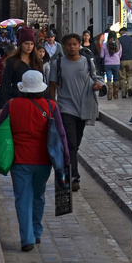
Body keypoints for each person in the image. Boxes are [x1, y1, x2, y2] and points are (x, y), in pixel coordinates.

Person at [0, 70, 70, 251]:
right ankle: (37, 232)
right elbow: (61, 134)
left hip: (19, 160)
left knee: (23, 198)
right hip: (44, 160)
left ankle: (27, 238)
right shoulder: (51, 106)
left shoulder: (11, 104)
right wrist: (66, 158)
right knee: (39, 195)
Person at [47, 32, 104, 192]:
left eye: (75, 44)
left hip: (84, 107)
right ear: (64, 47)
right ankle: (74, 176)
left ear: (79, 45)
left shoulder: (87, 61)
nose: (72, 47)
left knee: (76, 143)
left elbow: (94, 77)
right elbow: (52, 85)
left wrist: (96, 84)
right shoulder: (57, 64)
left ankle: (66, 168)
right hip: (65, 107)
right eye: (69, 44)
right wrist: (53, 104)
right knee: (71, 142)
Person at [0, 28, 42, 112]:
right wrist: (1, 106)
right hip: (17, 100)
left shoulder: (37, 62)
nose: (29, 46)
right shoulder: (12, 61)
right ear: (21, 44)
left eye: (32, 44)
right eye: (26, 43)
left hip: (35, 102)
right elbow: (5, 84)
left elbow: (42, 83)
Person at [100, 30, 121, 99]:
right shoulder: (119, 44)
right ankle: (116, 95)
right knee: (116, 78)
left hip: (108, 63)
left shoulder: (105, 44)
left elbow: (102, 56)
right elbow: (120, 55)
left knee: (109, 79)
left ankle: (109, 95)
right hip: (116, 63)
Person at [118, 28, 132, 98]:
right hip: (131, 59)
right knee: (130, 75)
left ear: (121, 33)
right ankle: (130, 88)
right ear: (126, 32)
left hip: (122, 60)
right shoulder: (131, 40)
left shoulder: (118, 40)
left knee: (122, 77)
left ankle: (123, 93)